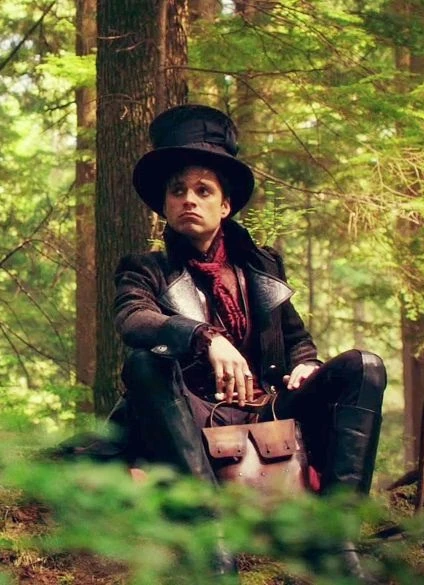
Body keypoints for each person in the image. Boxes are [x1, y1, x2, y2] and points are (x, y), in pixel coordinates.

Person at [114, 104, 386, 577]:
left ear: (225, 206)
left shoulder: (261, 267)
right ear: (165, 205)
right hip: (187, 414)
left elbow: (296, 339)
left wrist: (306, 364)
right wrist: (204, 337)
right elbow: (133, 319)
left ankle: (337, 540)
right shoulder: (146, 269)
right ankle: (213, 543)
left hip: (265, 409)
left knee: (366, 366)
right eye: (178, 191)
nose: (189, 200)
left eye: (203, 190)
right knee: (144, 363)